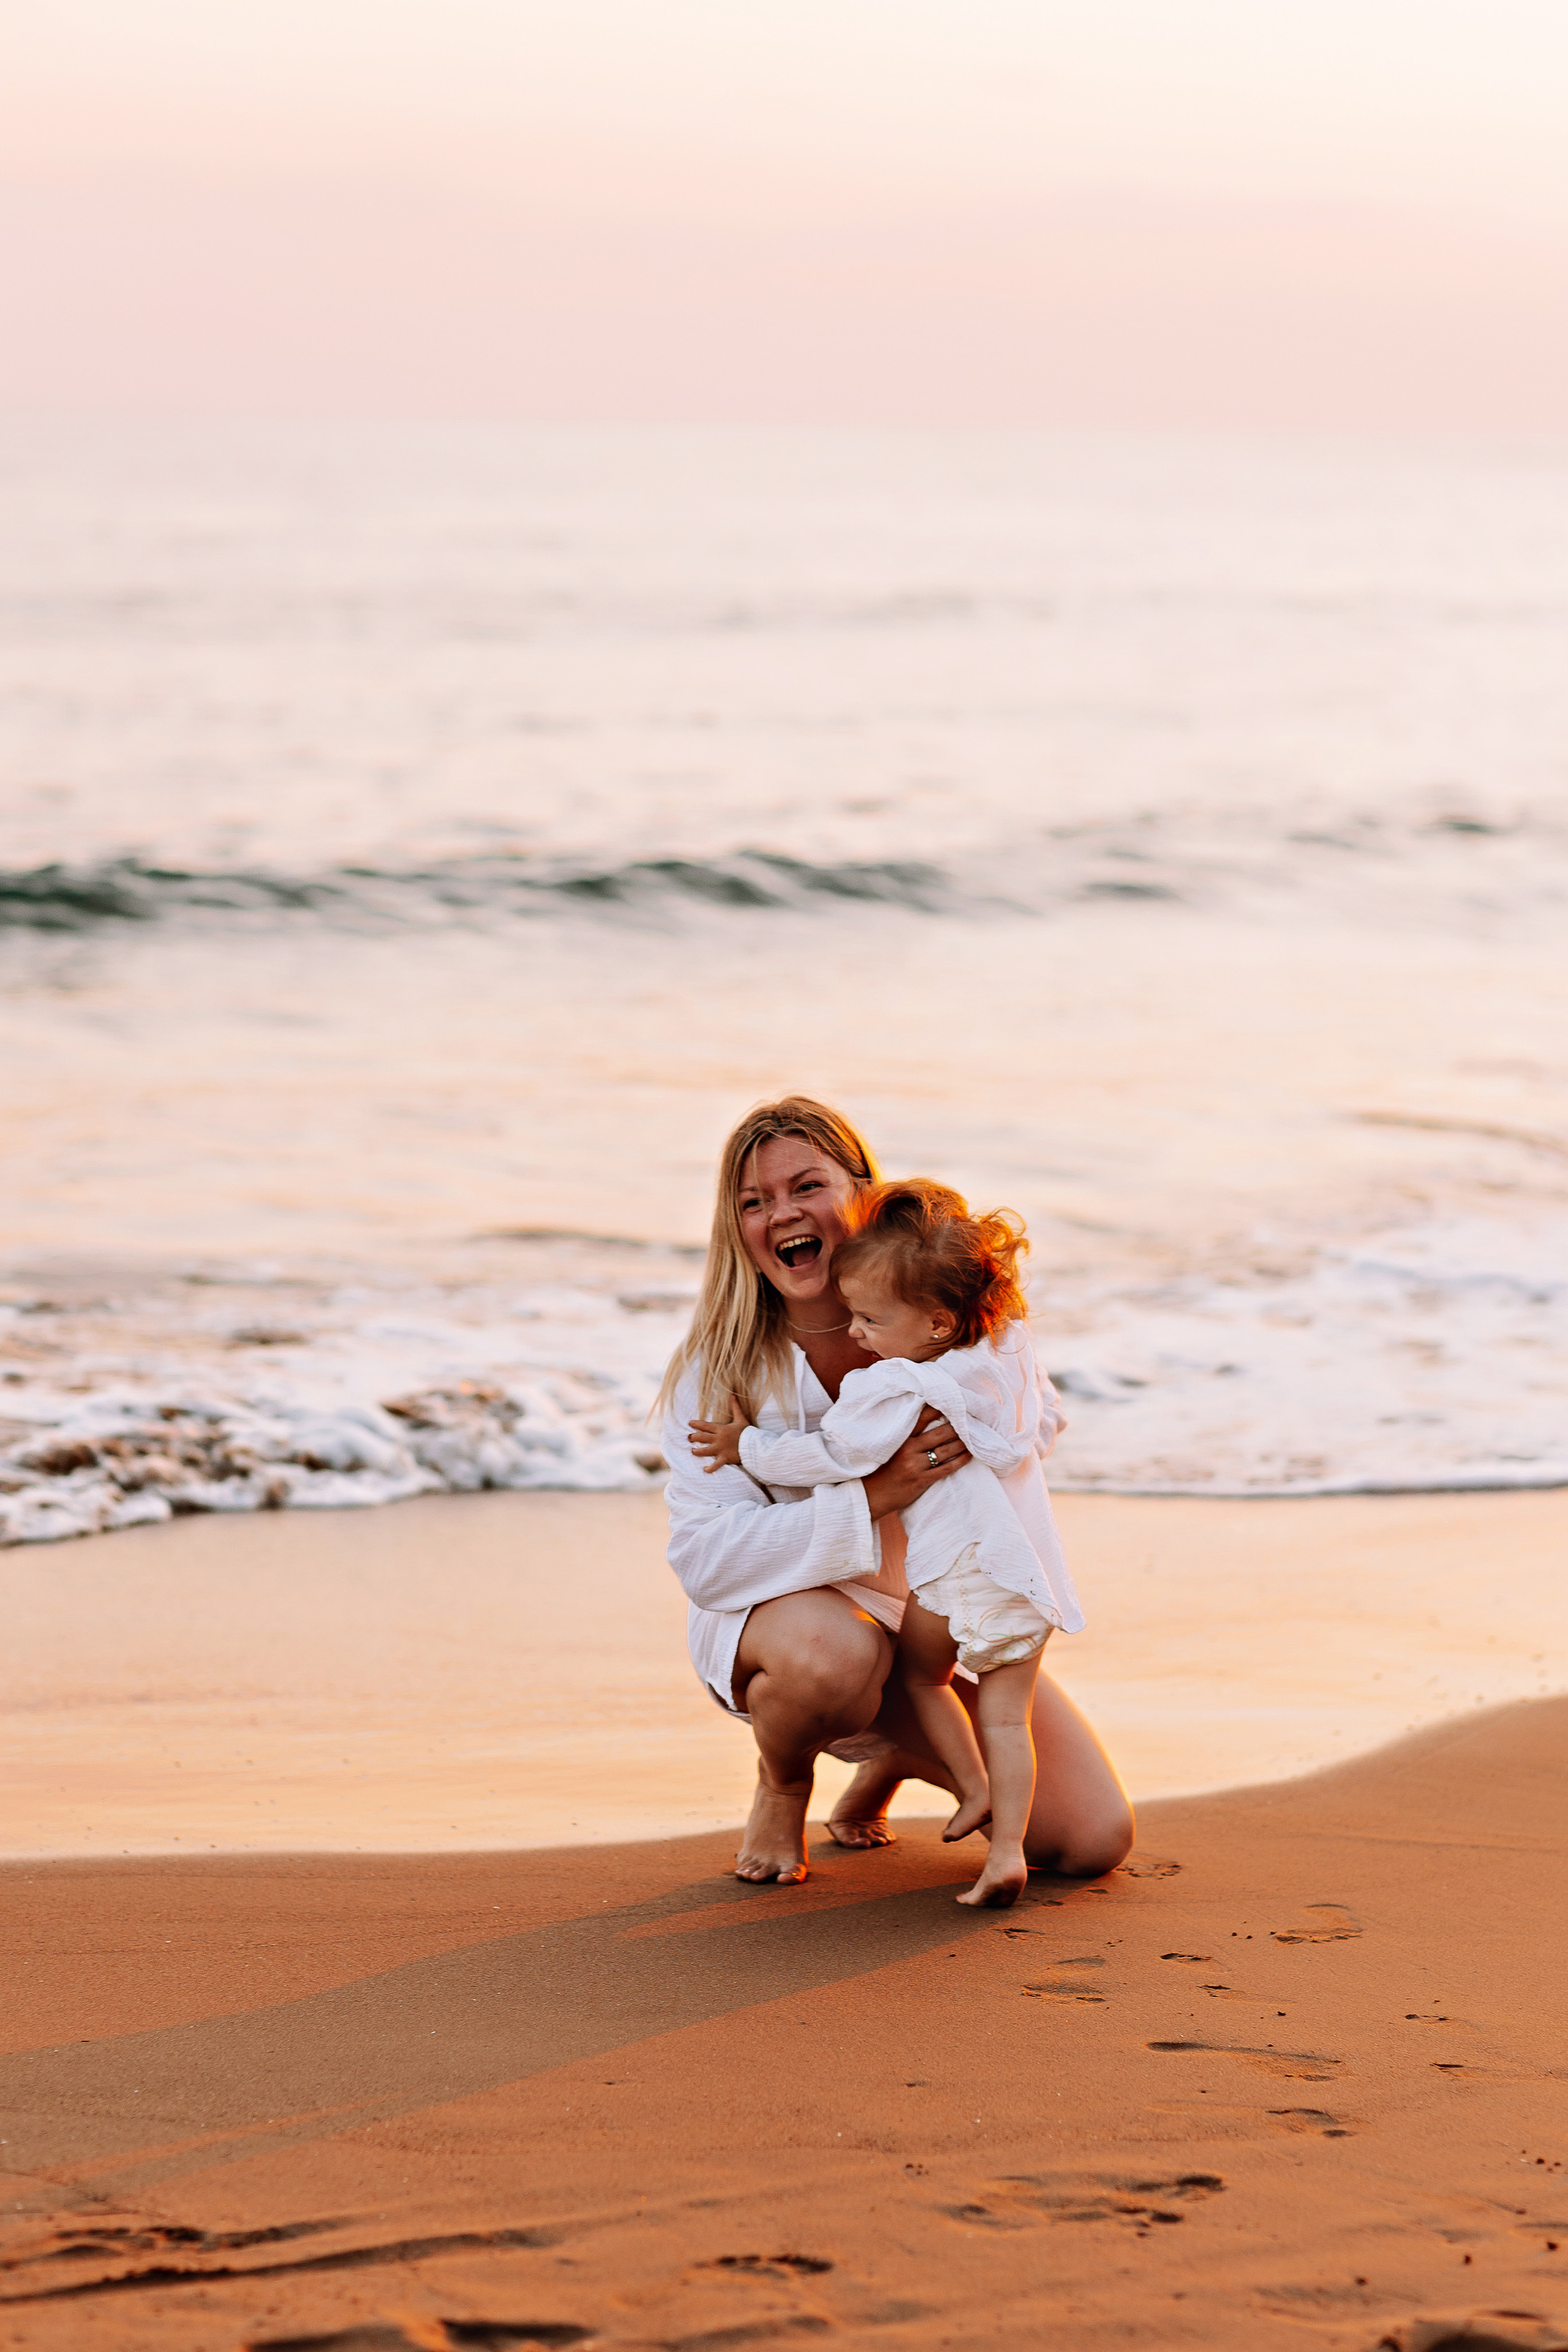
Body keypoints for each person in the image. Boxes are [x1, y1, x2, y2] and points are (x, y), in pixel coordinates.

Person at [657, 1095, 1134, 1887]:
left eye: (805, 1186)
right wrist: (878, 1490)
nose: (782, 1214)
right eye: (754, 1202)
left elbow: (1040, 1415)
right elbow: (708, 1564)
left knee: (1091, 1839)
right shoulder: (719, 1369)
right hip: (789, 1623)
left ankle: (900, 1756)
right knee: (831, 1654)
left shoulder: (954, 1313)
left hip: (933, 1618)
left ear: (862, 1195)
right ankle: (784, 1783)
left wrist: (979, 1433)